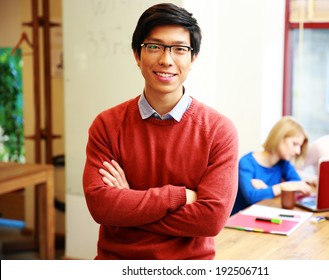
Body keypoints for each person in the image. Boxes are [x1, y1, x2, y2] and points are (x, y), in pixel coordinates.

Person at [82, 3, 239, 260]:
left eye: (179, 49)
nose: (166, 60)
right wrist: (177, 196)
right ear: (137, 54)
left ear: (193, 58)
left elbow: (211, 220)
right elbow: (101, 207)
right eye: (154, 47)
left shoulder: (219, 131)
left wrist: (128, 203)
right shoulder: (107, 125)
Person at [231, 116, 312, 215]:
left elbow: (302, 187)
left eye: (300, 146)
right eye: (295, 144)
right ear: (280, 137)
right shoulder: (246, 162)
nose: (298, 151)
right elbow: (251, 197)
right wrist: (282, 187)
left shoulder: (283, 164)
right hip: (238, 221)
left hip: (264, 215)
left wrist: (266, 188)